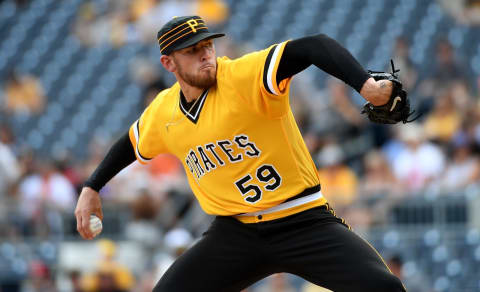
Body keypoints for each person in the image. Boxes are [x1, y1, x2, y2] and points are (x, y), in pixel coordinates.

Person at [75, 15, 406, 292]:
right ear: (168, 62)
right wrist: (92, 186)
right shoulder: (163, 111)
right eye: (192, 51)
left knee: (385, 289)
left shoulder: (242, 76)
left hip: (303, 221)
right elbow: (131, 143)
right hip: (236, 234)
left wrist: (367, 86)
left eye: (208, 45)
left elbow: (314, 45)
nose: (206, 55)